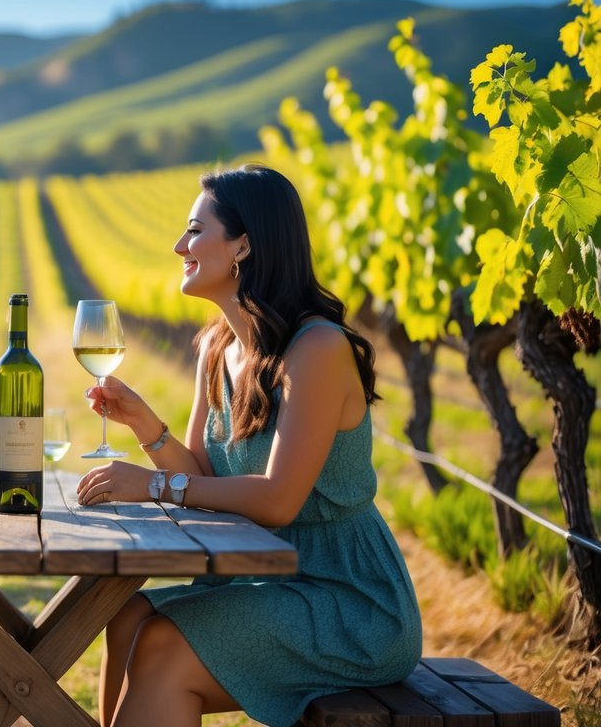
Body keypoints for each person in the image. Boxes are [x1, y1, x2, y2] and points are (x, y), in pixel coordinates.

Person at [76, 164, 422, 727]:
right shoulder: (218, 346)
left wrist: (153, 485)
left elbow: (278, 499)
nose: (178, 245)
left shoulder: (318, 348)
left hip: (346, 598)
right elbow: (200, 474)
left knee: (162, 642)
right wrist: (146, 425)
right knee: (129, 614)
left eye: (194, 230)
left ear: (243, 245)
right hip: (262, 577)